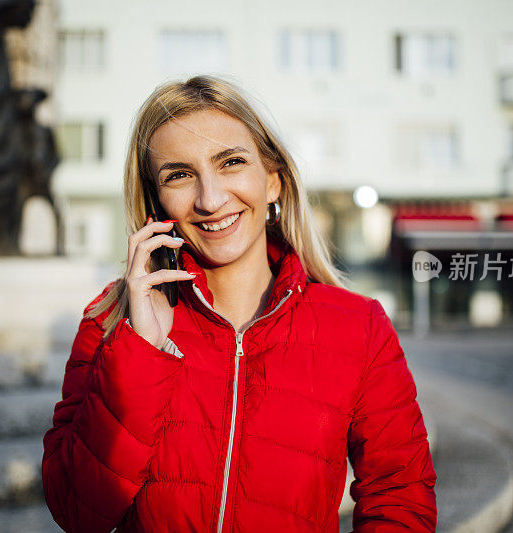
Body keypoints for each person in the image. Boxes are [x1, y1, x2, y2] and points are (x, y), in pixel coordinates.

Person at [42, 74, 436, 532]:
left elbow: (401, 499)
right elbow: (77, 514)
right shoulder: (113, 321)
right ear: (156, 203)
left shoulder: (360, 327)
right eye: (179, 175)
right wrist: (142, 351)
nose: (210, 199)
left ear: (273, 182)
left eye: (230, 162)